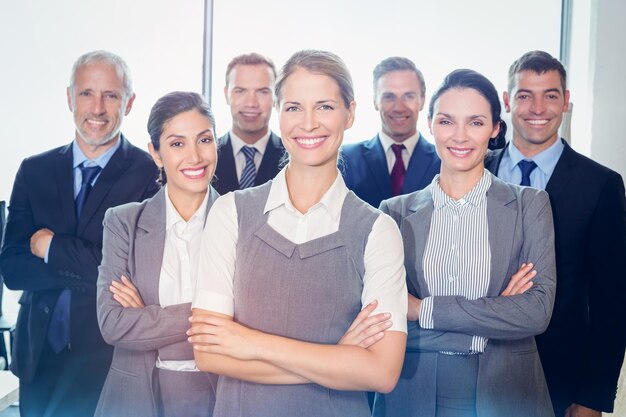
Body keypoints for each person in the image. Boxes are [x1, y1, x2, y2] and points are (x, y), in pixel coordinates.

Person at [187, 49, 408, 417]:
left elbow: (382, 373)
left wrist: (249, 342)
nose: (308, 123)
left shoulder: (377, 230)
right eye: (293, 108)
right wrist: (338, 358)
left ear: (350, 113)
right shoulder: (231, 214)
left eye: (324, 107)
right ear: (278, 112)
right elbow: (208, 352)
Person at [374, 69, 557, 417]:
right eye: (446, 121)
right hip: (414, 395)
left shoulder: (530, 205)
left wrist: (421, 309)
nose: (460, 136)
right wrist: (493, 319)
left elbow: (535, 313)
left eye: (475, 122)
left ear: (495, 128)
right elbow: (386, 323)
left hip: (509, 396)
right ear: (430, 124)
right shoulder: (393, 214)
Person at [0, 50, 159, 417]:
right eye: (87, 93)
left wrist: (51, 247)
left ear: (130, 102)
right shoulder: (34, 170)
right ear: (69, 97)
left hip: (106, 358)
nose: (98, 108)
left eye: (111, 95)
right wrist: (94, 264)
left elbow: (131, 274)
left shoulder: (148, 174)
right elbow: (12, 269)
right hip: (37, 355)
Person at [485, 50, 626, 417]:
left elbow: (612, 300)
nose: (537, 108)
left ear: (565, 102)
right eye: (525, 95)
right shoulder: (474, 172)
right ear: (506, 101)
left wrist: (593, 397)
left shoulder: (601, 185)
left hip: (559, 378)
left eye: (550, 95)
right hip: (474, 365)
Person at [94, 92, 220, 416]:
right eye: (177, 144)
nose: (194, 156)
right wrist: (211, 314)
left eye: (204, 140)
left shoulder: (242, 221)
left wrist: (146, 316)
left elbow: (254, 321)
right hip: (134, 398)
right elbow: (113, 324)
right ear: (156, 153)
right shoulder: (123, 221)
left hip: (218, 398)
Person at [341, 56, 440, 208]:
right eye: (389, 96)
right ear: (375, 101)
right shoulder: (344, 160)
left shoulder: (443, 161)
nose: (399, 107)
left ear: (422, 100)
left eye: (408, 96)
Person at [213, 53, 285, 194]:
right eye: (240, 91)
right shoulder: (206, 156)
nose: (251, 103)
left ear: (276, 97)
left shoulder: (294, 157)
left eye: (262, 92)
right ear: (226, 94)